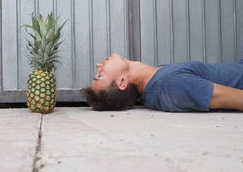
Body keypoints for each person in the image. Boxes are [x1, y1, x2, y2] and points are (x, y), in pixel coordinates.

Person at [81, 53, 243, 112]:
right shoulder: (169, 85)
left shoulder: (157, 79)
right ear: (122, 82)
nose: (99, 66)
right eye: (99, 75)